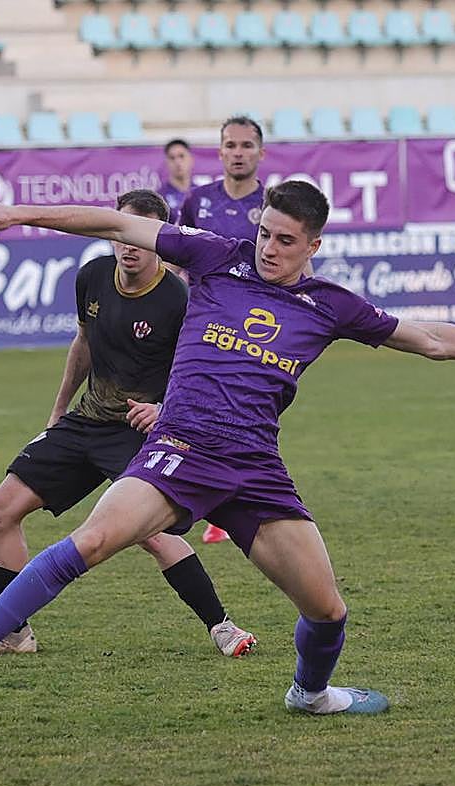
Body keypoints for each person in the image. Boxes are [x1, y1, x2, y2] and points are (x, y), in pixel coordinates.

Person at [0, 181, 455, 715]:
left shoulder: (330, 306)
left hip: (254, 469)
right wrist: (18, 213)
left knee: (327, 611)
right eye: (266, 232)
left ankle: (312, 694)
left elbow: (431, 340)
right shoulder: (216, 257)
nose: (269, 247)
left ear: (314, 245)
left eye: (285, 240)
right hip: (182, 447)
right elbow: (115, 222)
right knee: (94, 542)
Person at [0, 188, 255, 659]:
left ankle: (222, 626)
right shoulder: (92, 277)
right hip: (85, 422)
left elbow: (200, 367)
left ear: (159, 242)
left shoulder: (178, 298)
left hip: (138, 432)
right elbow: (83, 344)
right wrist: (57, 412)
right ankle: (13, 635)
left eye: (141, 238)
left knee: (150, 534)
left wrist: (164, 410)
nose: (129, 247)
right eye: (122, 234)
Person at [179, 115, 268, 545]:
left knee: (245, 416)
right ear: (219, 152)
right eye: (230, 145)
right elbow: (180, 261)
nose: (238, 152)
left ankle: (233, 505)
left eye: (246, 145)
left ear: (260, 153)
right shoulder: (199, 201)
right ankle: (194, 498)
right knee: (193, 412)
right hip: (202, 329)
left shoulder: (273, 204)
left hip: (252, 331)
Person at [158, 139, 194, 224]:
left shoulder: (201, 193)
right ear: (167, 162)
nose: (177, 162)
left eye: (181, 156)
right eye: (172, 158)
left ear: (191, 159)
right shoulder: (160, 197)